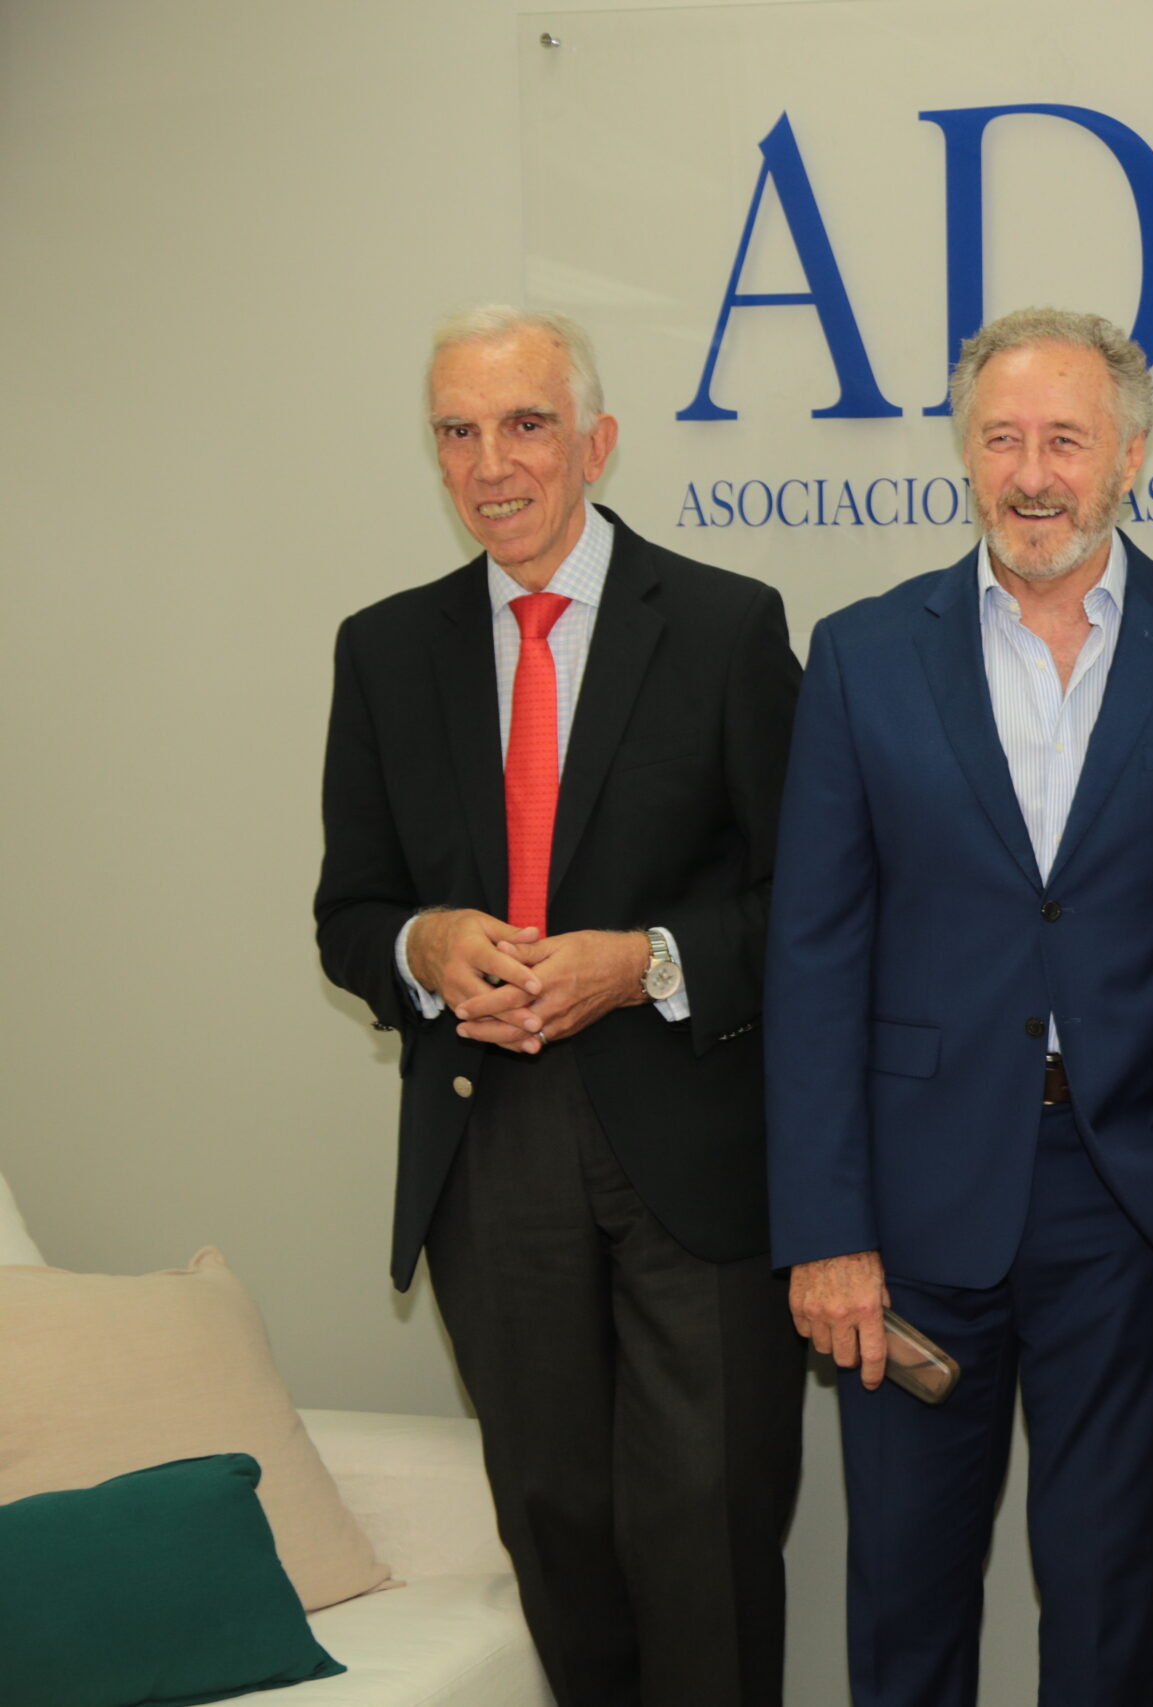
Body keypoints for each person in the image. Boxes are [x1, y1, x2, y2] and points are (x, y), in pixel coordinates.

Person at [764, 306, 1153, 1707]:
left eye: (1066, 439)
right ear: (966, 455)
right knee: (905, 1600)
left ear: (1130, 457)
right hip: (908, 1210)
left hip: (1134, 1197)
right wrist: (824, 1230)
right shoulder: (863, 654)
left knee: (1107, 1599)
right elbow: (812, 957)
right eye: (1001, 439)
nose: (1032, 473)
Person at [315, 307, 806, 1707]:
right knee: (557, 1532)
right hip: (491, 1151)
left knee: (706, 1539)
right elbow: (349, 914)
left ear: (597, 442)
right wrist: (425, 943)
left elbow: (808, 902)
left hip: (691, 1160)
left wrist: (645, 960)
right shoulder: (385, 650)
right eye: (458, 432)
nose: (492, 464)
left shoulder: (722, 628)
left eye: (526, 424)